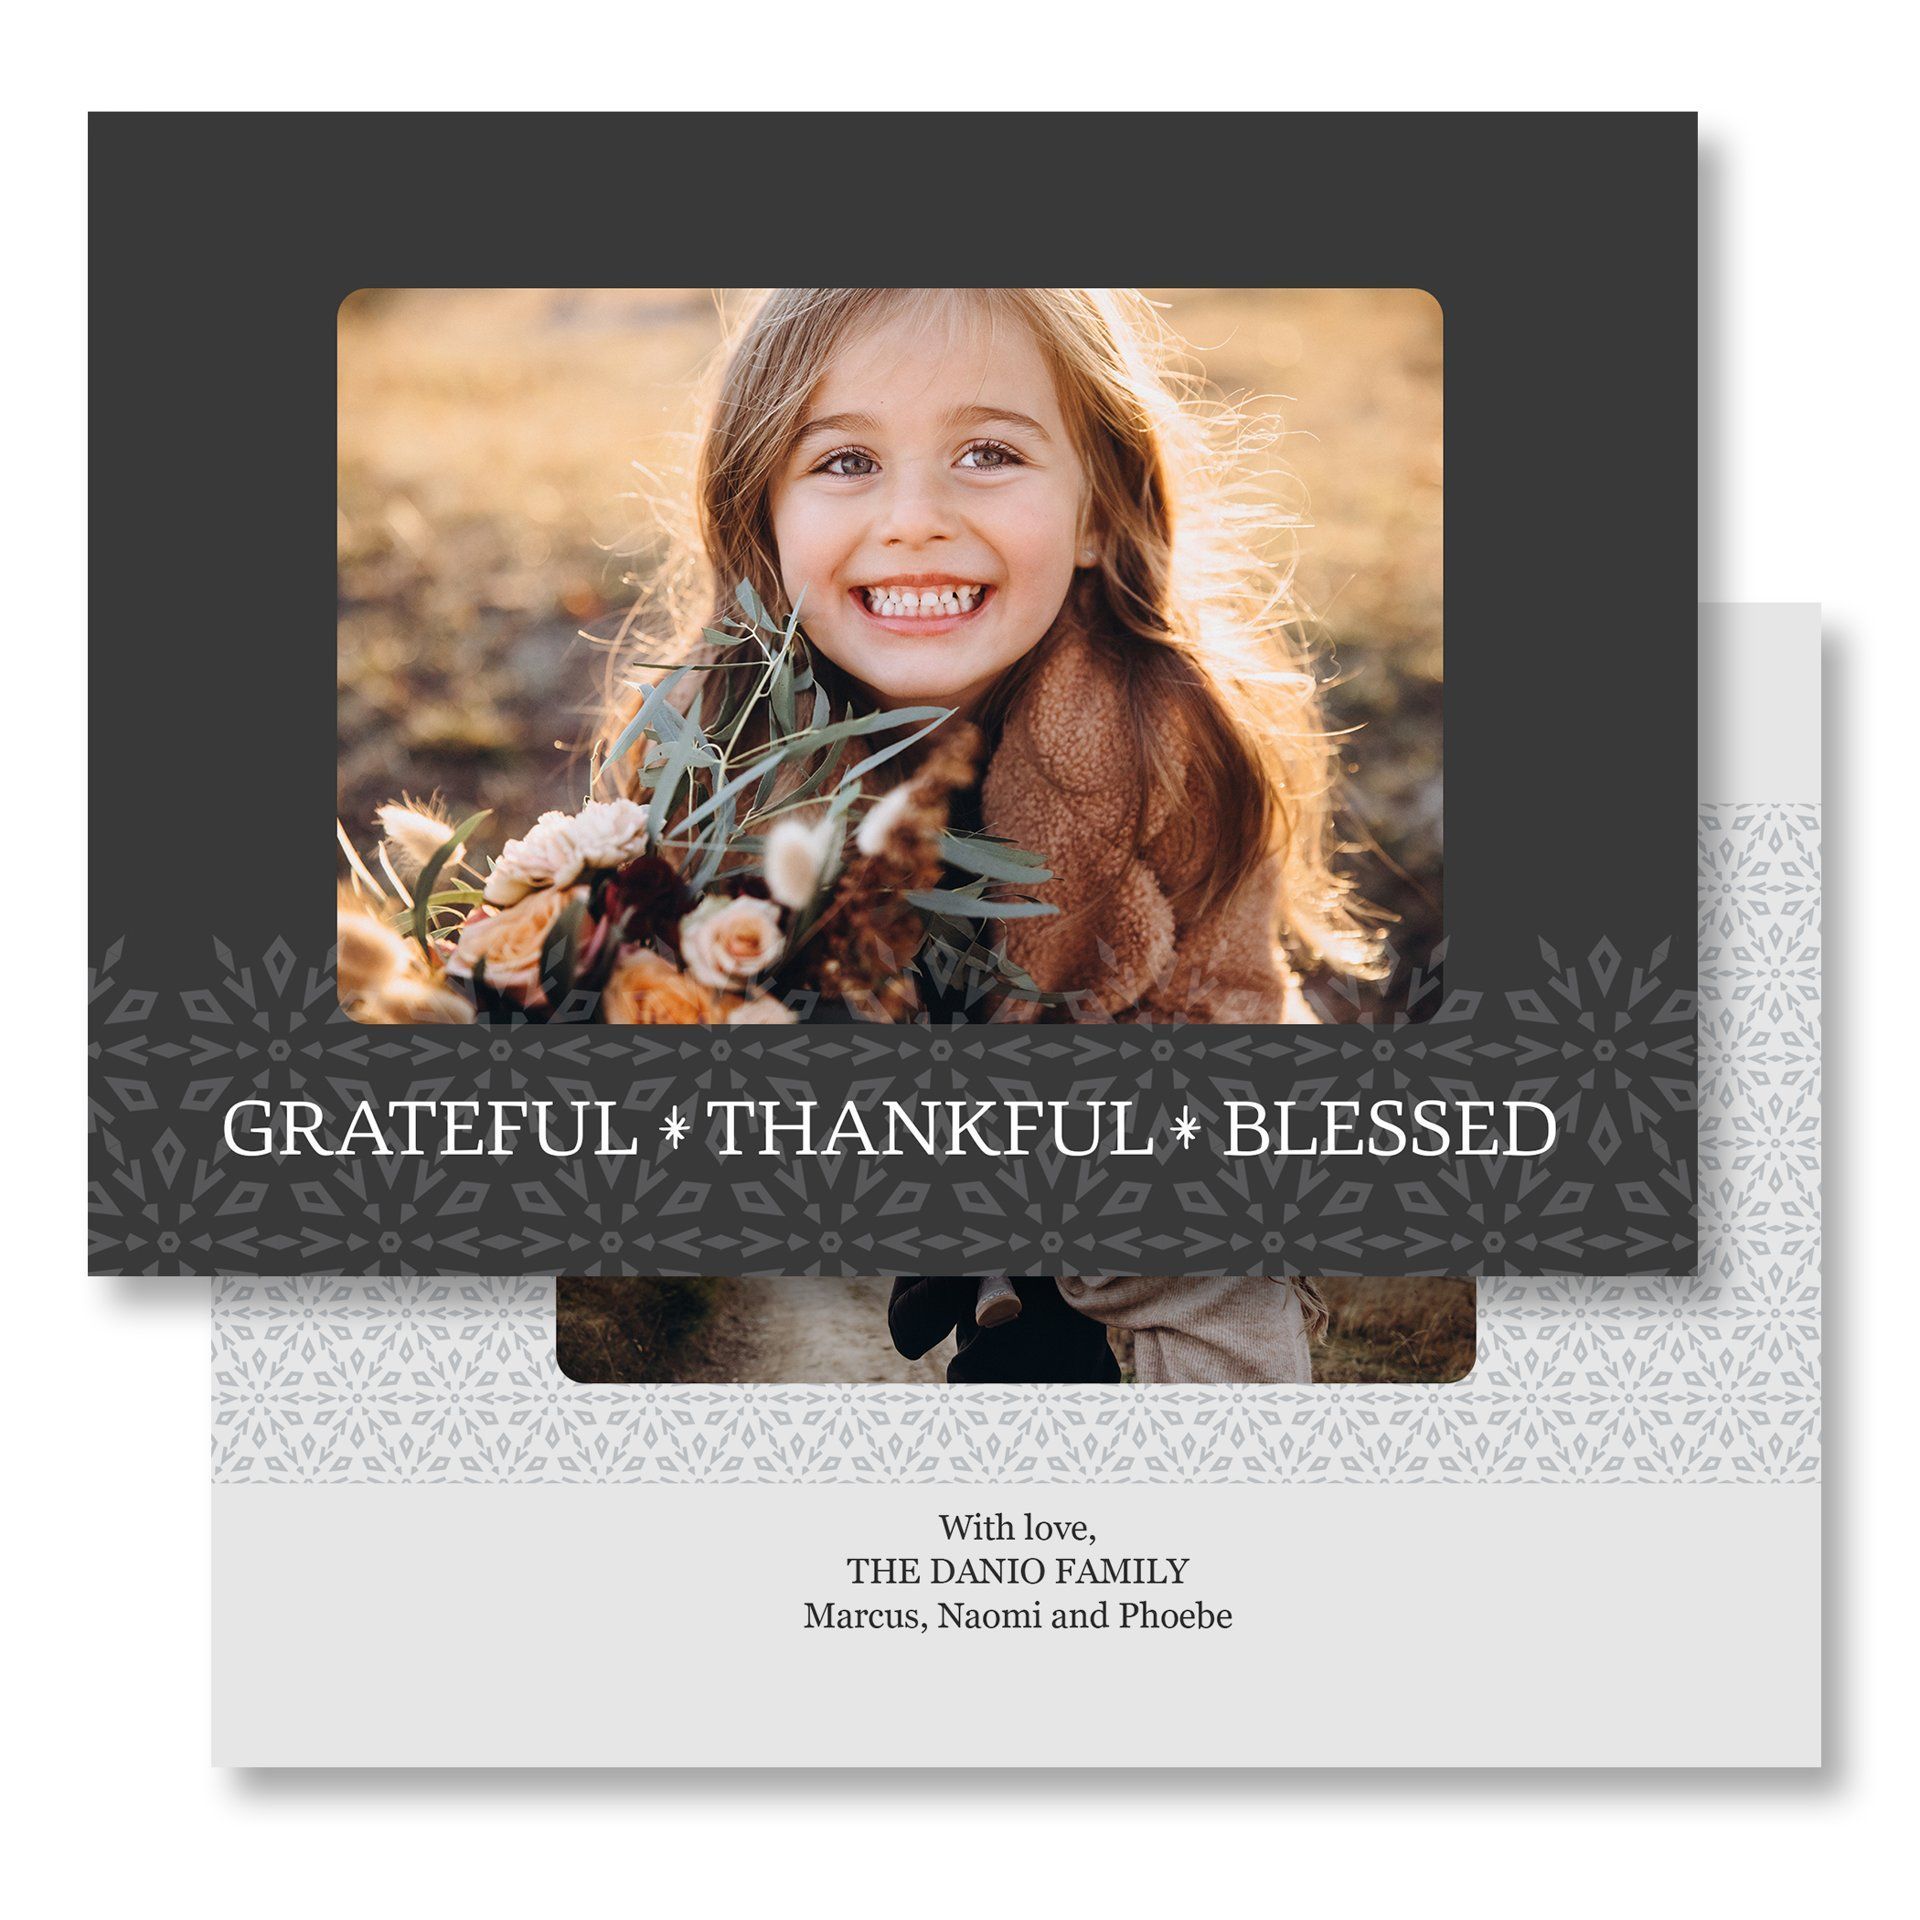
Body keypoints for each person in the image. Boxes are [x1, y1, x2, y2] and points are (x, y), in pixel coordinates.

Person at [600, 288, 1389, 1383]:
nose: (914, 515)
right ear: (763, 523)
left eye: (986, 452)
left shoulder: (1167, 748)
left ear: (1097, 512)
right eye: (844, 463)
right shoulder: (721, 744)